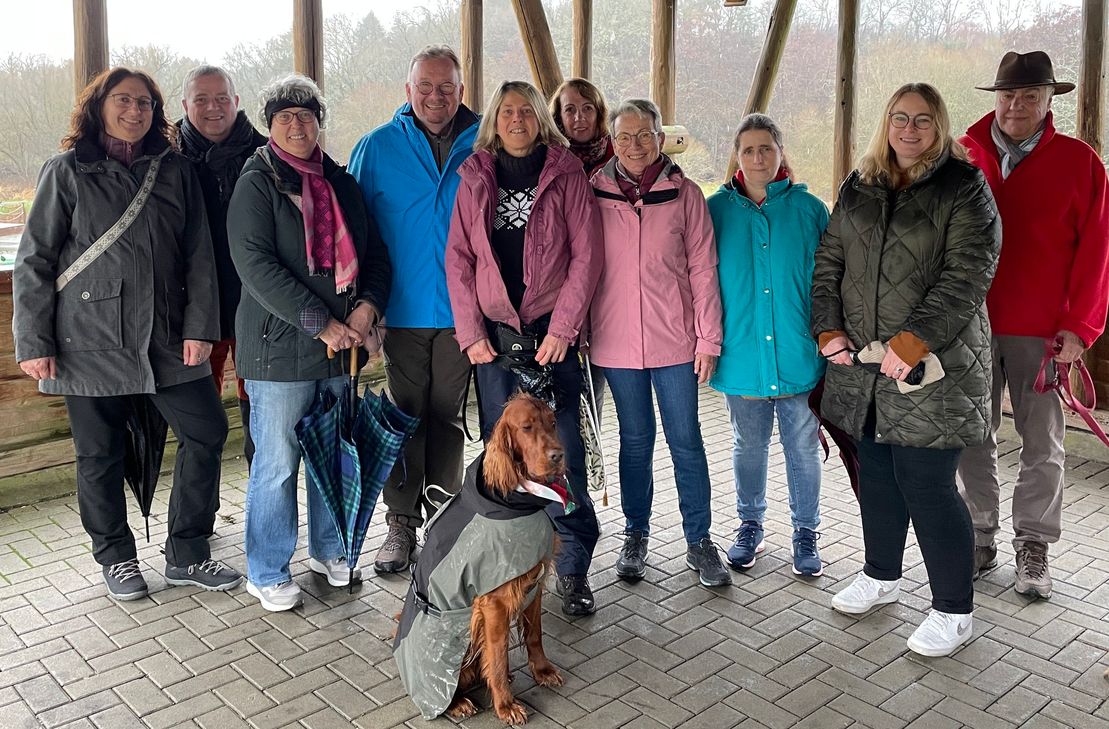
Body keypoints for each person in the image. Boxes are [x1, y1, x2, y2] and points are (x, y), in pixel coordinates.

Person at [12, 67, 241, 601]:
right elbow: (35, 259)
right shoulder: (67, 171)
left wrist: (200, 328)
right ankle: (115, 557)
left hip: (168, 336)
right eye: (123, 100)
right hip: (87, 338)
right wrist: (34, 340)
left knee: (207, 432)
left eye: (144, 102)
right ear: (98, 106)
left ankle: (188, 552)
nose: (134, 110)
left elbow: (199, 256)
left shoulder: (175, 170)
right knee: (99, 454)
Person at [811, 83, 1000, 657]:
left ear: (939, 125)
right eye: (900, 118)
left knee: (927, 486)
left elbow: (968, 273)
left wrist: (913, 341)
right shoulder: (860, 183)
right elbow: (830, 259)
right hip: (864, 368)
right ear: (886, 123)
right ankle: (881, 575)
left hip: (934, 368)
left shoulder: (964, 187)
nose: (909, 129)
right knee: (877, 473)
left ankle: (954, 610)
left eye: (922, 119)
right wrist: (828, 328)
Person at [227, 74, 392, 612]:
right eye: (284, 117)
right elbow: (255, 265)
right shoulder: (257, 182)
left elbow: (374, 255)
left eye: (306, 116)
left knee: (333, 455)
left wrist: (367, 308)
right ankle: (267, 569)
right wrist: (320, 322)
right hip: (280, 349)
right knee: (277, 464)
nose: (296, 126)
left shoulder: (340, 182)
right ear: (270, 125)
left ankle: (330, 548)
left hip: (341, 348)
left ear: (319, 122)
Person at [446, 80, 603, 615]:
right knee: (506, 460)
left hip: (552, 340)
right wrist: (471, 333)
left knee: (563, 456)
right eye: (507, 111)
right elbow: (459, 259)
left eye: (527, 111)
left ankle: (573, 568)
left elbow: (586, 256)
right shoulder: (475, 176)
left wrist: (564, 329)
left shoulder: (566, 173)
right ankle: (511, 567)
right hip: (496, 343)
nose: (517, 120)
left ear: (541, 119)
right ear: (495, 120)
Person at [957, 51, 1109, 600]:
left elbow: (1097, 251)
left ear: (1049, 101)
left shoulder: (1080, 162)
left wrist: (1081, 327)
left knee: (1042, 441)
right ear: (995, 98)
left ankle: (1034, 544)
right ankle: (977, 535)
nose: (1016, 106)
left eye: (1029, 96)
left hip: (1041, 330)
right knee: (972, 434)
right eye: (1008, 95)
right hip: (969, 325)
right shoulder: (962, 154)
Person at [348, 46, 479, 574]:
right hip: (397, 312)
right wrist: (364, 309)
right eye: (425, 86)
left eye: (446, 87)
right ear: (408, 91)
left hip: (463, 314)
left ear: (461, 91)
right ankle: (400, 523)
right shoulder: (377, 147)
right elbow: (355, 235)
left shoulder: (484, 144)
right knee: (402, 417)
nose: (435, 96)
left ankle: (444, 520)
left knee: (447, 418)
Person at [588, 98, 730, 588]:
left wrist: (708, 339)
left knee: (685, 439)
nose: (635, 145)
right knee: (634, 440)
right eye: (624, 136)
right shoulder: (593, 192)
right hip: (615, 341)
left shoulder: (684, 194)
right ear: (612, 141)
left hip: (676, 341)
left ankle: (699, 539)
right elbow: (581, 265)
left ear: (660, 138)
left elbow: (704, 270)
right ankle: (635, 533)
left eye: (644, 135)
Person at [707, 113, 829, 577]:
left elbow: (831, 282)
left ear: (781, 152)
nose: (758, 158)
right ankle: (749, 525)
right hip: (742, 354)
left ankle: (806, 531)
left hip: (799, 353)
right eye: (748, 150)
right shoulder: (715, 211)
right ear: (737, 156)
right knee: (748, 446)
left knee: (803, 448)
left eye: (766, 148)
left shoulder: (810, 210)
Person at [178, 65, 267, 467]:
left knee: (261, 419)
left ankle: (260, 500)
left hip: (258, 307)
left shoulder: (267, 154)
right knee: (199, 424)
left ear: (236, 102)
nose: (212, 107)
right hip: (194, 312)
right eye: (201, 99)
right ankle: (201, 504)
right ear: (186, 105)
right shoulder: (167, 159)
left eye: (221, 98)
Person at [550, 77, 614, 422]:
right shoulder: (549, 161)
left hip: (610, 287)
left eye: (587, 108)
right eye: (570, 110)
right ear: (558, 116)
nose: (579, 117)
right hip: (562, 291)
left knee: (595, 392)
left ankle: (594, 454)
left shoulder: (619, 157)